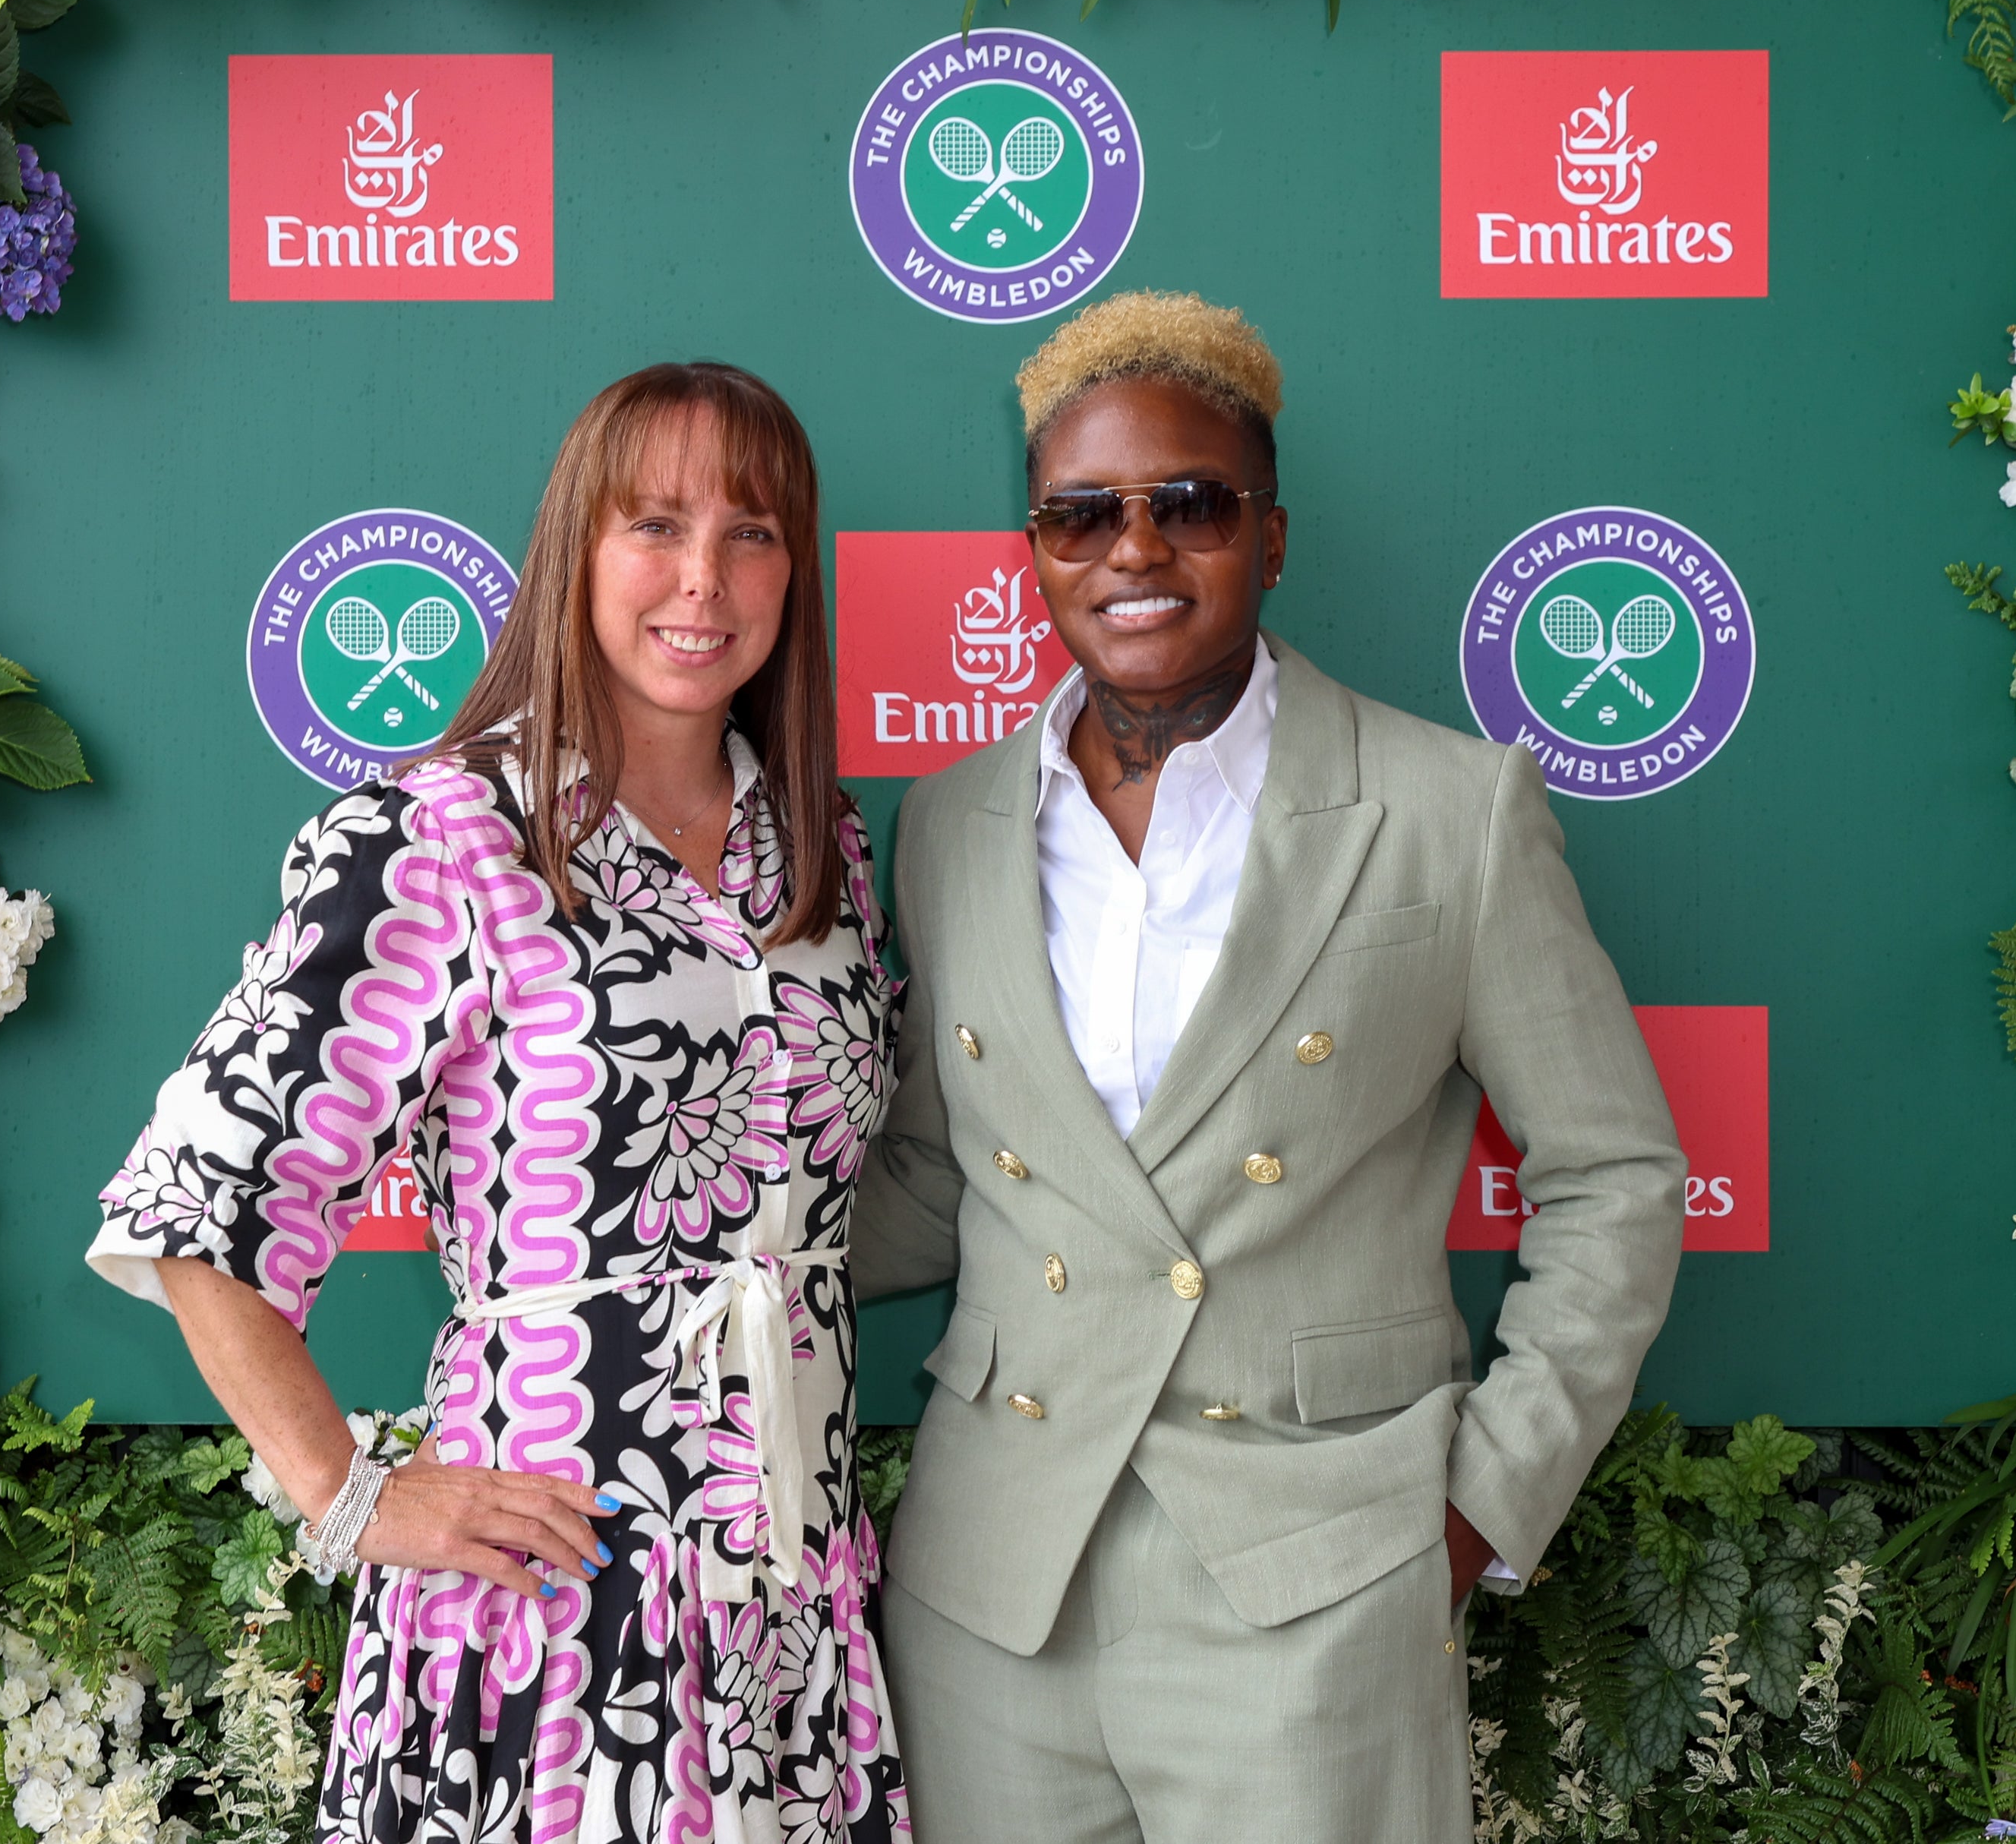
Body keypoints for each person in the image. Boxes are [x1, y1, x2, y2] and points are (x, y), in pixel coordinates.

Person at [853, 291, 1687, 1842]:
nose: (1134, 549)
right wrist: (664, 1266)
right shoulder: (949, 823)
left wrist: (1475, 1505)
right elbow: (928, 1171)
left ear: (1272, 534)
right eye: (1079, 513)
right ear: (1030, 548)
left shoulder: (1451, 809)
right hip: (990, 1590)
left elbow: (1614, 1171)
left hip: (1313, 1582)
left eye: (1190, 503)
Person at [88, 362, 911, 1844]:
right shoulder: (444, 833)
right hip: (554, 1604)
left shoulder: (821, 851)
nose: (702, 578)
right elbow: (196, 1196)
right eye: (652, 524)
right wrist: (351, 1493)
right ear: (572, 550)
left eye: (750, 532)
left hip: (793, 1607)